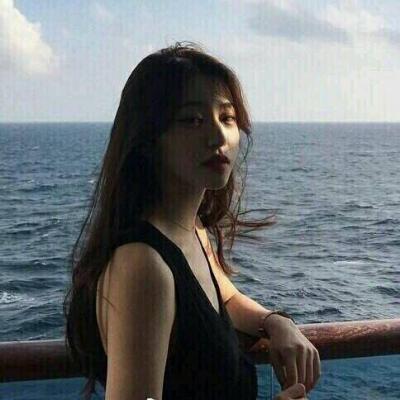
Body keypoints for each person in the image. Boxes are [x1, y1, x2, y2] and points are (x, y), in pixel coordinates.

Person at [63, 41, 320, 400]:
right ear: (148, 139)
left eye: (227, 118)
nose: (218, 136)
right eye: (193, 120)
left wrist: (275, 322)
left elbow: (224, 298)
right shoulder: (143, 265)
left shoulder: (190, 231)